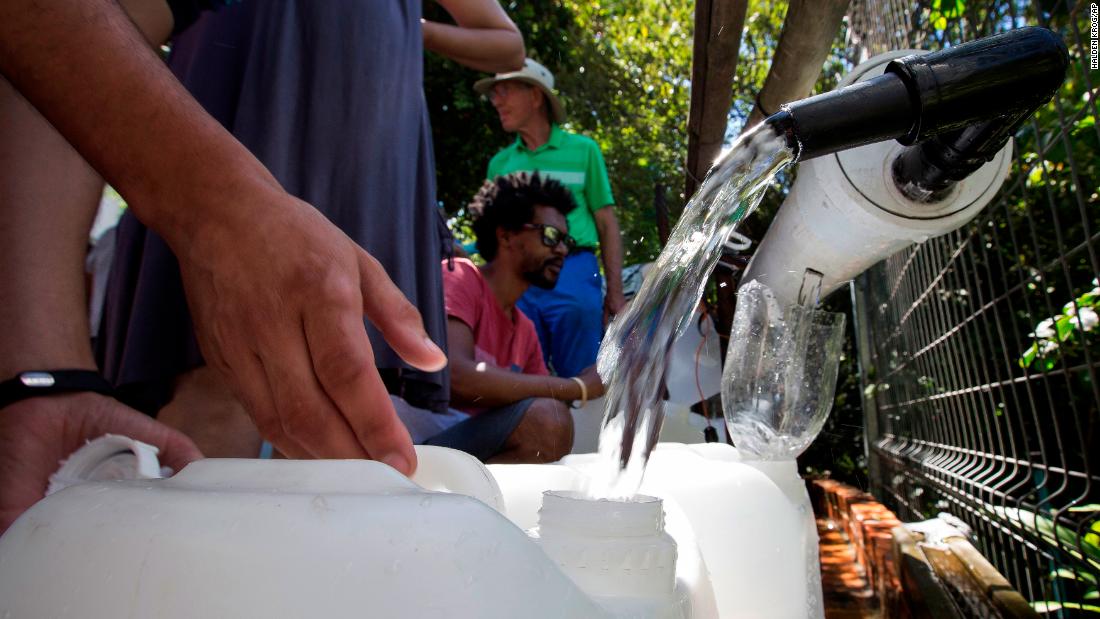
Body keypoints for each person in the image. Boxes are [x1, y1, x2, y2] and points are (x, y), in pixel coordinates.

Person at [0, 0, 478, 532]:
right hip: (243, 76)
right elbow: (65, 50)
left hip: (370, 102)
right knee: (222, 380)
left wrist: (42, 377)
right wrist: (214, 203)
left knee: (339, 387)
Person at [94, 0, 525, 458]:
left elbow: (506, 44)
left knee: (345, 367)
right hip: (245, 55)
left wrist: (414, 30)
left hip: (366, 101)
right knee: (213, 366)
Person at [404, 172, 604, 463]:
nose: (562, 249)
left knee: (551, 420)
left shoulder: (524, 329)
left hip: (465, 454)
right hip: (418, 451)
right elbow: (455, 376)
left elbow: (545, 398)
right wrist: (579, 386)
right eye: (551, 236)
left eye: (567, 241)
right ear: (506, 235)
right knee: (548, 421)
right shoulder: (459, 276)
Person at [475, 59, 626, 379]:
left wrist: (615, 291)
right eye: (494, 94)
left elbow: (606, 222)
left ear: (535, 96)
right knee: (521, 381)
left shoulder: (584, 150)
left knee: (584, 380)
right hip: (516, 280)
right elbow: (491, 237)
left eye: (504, 91)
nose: (496, 100)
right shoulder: (499, 164)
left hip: (574, 270)